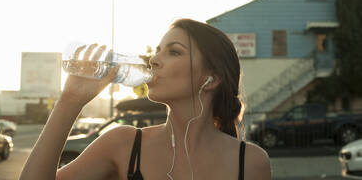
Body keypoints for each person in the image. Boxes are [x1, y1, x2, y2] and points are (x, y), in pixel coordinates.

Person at [20, 18, 271, 180]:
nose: (153, 60)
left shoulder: (250, 162)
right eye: (157, 50)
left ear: (211, 79)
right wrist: (69, 102)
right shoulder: (124, 144)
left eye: (174, 52)